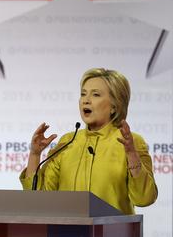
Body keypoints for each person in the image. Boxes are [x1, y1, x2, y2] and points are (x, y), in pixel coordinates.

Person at [20, 68, 157, 215]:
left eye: (96, 94)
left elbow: (144, 199)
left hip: (112, 235)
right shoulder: (68, 142)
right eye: (83, 94)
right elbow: (38, 199)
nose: (86, 100)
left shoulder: (131, 142)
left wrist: (131, 153)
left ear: (114, 106)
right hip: (65, 234)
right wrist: (35, 155)